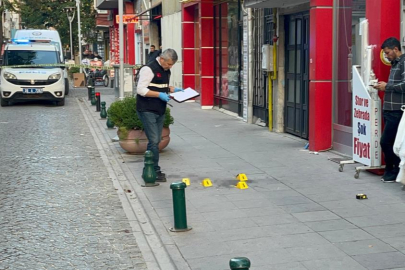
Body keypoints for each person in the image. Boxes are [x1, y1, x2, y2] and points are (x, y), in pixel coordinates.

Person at [136, 49, 183, 182]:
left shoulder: (166, 69)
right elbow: (141, 89)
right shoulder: (148, 69)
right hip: (147, 108)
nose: (170, 67)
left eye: (172, 65)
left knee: (156, 140)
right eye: (168, 64)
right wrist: (159, 95)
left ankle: (152, 168)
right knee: (154, 140)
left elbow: (159, 85)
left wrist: (172, 89)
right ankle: (152, 169)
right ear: (162, 59)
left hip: (159, 109)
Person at [374, 37, 405, 182]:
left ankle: (393, 169)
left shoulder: (403, 63)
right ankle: (393, 170)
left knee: (386, 141)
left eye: (387, 53)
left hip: (397, 110)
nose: (386, 56)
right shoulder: (395, 64)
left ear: (396, 49)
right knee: (390, 141)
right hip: (389, 108)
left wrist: (387, 87)